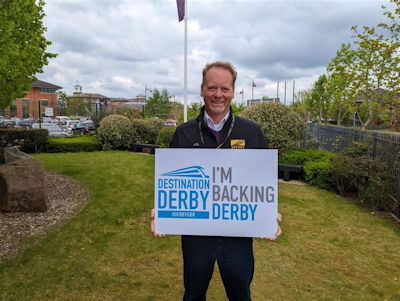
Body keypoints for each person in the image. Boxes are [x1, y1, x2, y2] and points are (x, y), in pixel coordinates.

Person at [151, 61, 281, 301]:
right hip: (196, 238)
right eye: (212, 88)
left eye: (224, 88)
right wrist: (161, 209)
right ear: (202, 89)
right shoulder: (184, 133)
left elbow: (262, 182)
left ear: (233, 91)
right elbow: (173, 181)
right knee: (193, 295)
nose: (218, 95)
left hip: (238, 237)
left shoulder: (251, 132)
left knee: (240, 295)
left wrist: (269, 212)